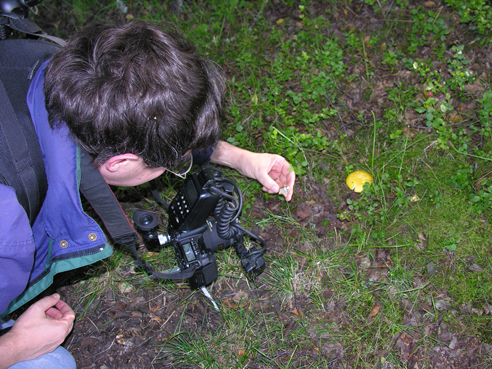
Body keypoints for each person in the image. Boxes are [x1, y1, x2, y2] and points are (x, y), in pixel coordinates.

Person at [0, 21, 295, 368]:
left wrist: (240, 158)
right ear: (120, 162)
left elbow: (143, 123)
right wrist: (16, 345)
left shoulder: (67, 66)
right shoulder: (7, 227)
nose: (174, 165)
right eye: (170, 162)